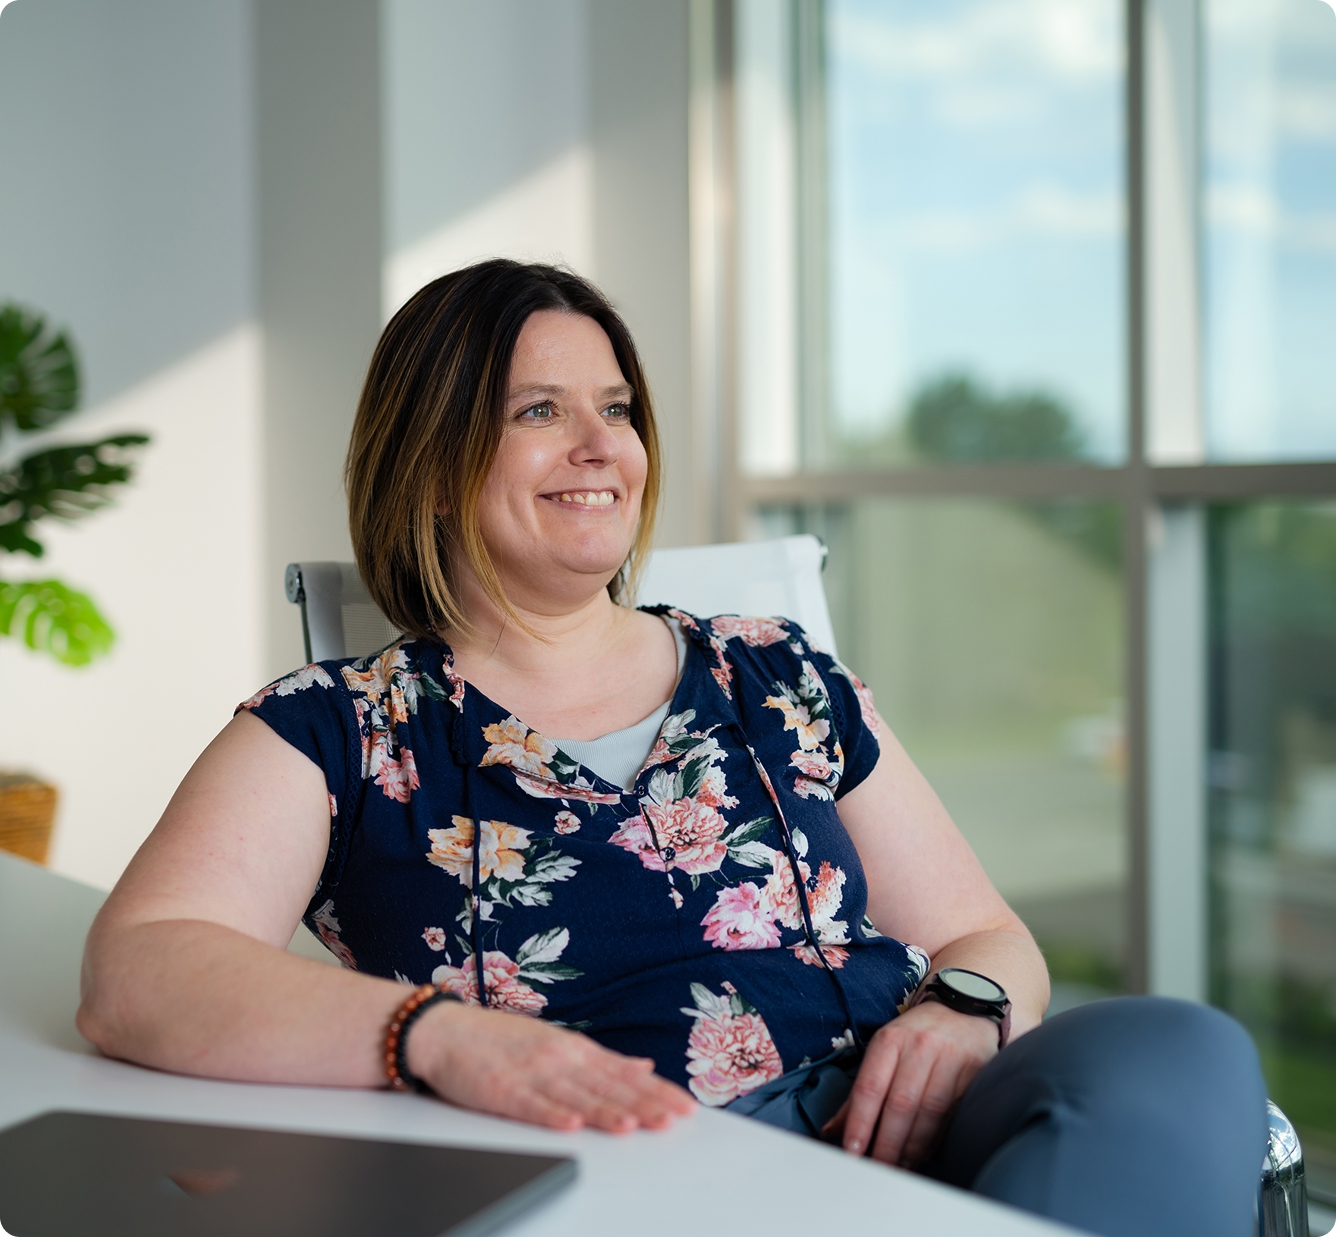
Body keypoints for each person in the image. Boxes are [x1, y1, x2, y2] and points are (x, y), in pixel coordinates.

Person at [78, 260, 1266, 1236]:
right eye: (539, 411)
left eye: (617, 409)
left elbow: (984, 936)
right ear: (430, 469)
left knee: (1178, 1047)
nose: (601, 445)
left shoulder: (776, 670)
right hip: (644, 1178)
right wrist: (433, 1037)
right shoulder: (340, 727)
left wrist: (960, 1009)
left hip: (911, 1121)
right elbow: (138, 973)